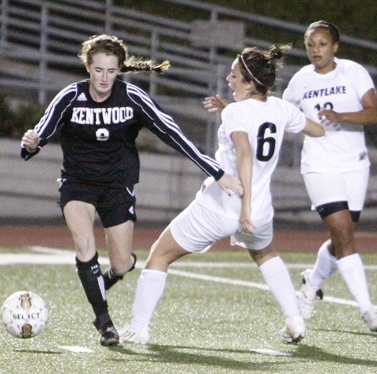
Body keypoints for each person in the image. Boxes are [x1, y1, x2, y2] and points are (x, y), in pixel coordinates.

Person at [20, 34, 243, 347]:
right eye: (98, 70)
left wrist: (217, 172)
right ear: (88, 67)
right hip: (78, 184)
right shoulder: (70, 97)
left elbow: (172, 134)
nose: (104, 78)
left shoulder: (132, 98)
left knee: (122, 263)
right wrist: (29, 144)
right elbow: (39, 137)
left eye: (111, 71)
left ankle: (107, 277)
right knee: (85, 246)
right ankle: (105, 323)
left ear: (119, 70)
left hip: (117, 186)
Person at [118, 44, 325, 345]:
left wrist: (243, 209)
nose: (229, 79)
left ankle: (138, 327)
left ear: (251, 82)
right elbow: (317, 130)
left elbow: (244, 152)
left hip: (223, 205)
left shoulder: (238, 113)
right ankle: (294, 320)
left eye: (234, 75)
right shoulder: (280, 108)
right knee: (265, 253)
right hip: (261, 209)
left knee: (159, 255)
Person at [282, 20, 377, 332]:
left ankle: (311, 282)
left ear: (335, 47)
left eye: (322, 44)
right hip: (319, 165)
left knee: (344, 237)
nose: (316, 50)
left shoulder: (353, 72)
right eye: (310, 44)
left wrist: (342, 115)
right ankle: (368, 311)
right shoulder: (300, 81)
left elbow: (375, 114)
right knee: (343, 234)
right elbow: (283, 116)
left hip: (355, 164)